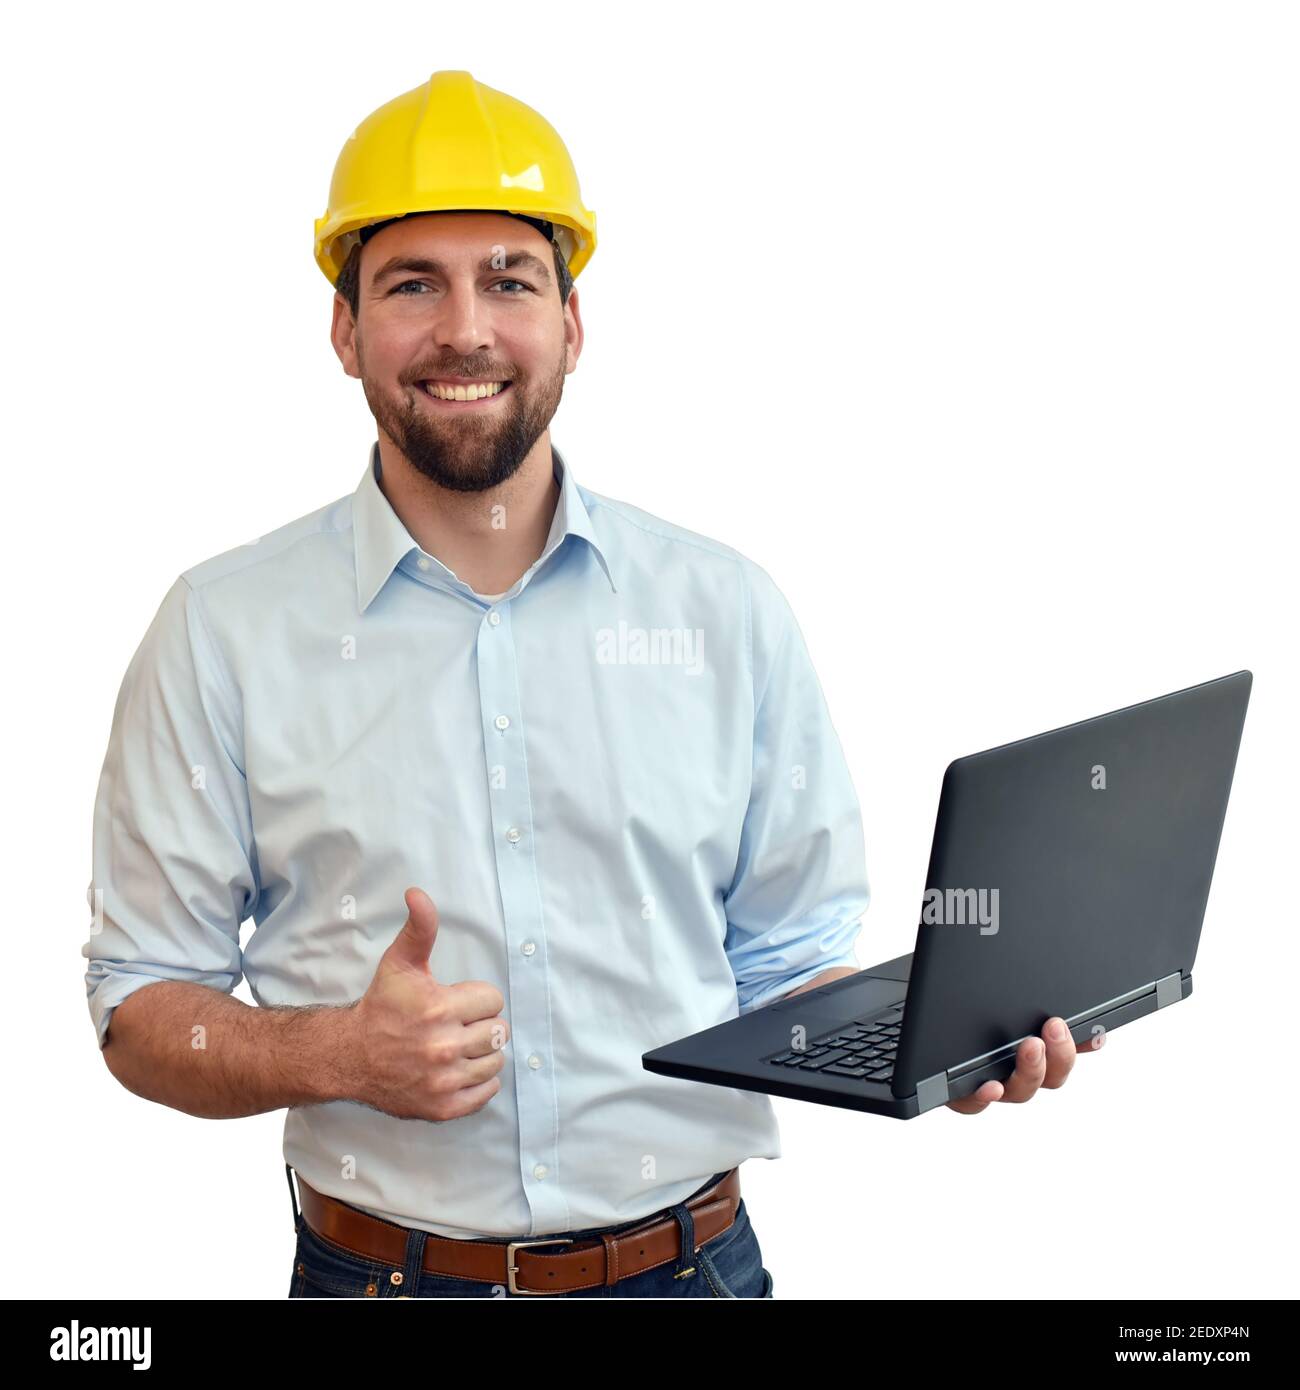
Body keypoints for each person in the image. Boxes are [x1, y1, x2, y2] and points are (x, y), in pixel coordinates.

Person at [83, 70, 1094, 1300]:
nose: (466, 330)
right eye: (412, 284)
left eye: (510, 278)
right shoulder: (220, 631)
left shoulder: (723, 611)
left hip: (696, 1269)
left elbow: (784, 964)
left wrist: (944, 1034)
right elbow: (140, 1006)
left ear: (571, 322)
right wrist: (335, 1051)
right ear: (344, 329)